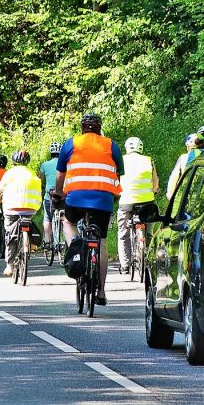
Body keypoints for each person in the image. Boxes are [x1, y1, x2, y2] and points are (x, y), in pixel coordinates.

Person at [52, 112, 124, 306]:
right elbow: (119, 173)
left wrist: (59, 192)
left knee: (68, 221)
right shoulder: (111, 145)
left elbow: (60, 174)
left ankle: (75, 245)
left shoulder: (71, 143)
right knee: (100, 241)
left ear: (82, 128)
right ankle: (101, 291)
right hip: (103, 200)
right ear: (99, 128)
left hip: (75, 198)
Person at [0, 150, 42, 276]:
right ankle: (30, 242)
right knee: (27, 221)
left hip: (12, 209)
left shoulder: (10, 173)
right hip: (31, 208)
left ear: (14, 162)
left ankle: (9, 265)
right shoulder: (32, 173)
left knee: (10, 233)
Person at [116, 137, 159, 273]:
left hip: (126, 202)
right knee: (149, 232)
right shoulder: (148, 160)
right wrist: (155, 190)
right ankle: (148, 260)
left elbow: (116, 180)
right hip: (147, 202)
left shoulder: (121, 160)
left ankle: (124, 265)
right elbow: (155, 182)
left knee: (123, 232)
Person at [38, 142, 61, 248]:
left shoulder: (44, 165)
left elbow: (39, 180)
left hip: (49, 196)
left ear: (51, 153)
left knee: (47, 218)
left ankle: (47, 241)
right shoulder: (64, 164)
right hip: (61, 195)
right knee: (64, 217)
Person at [166, 133, 196, 200]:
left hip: (185, 194)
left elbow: (174, 177)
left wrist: (170, 195)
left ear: (188, 146)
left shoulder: (183, 158)